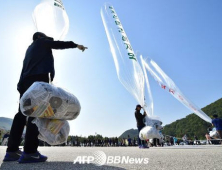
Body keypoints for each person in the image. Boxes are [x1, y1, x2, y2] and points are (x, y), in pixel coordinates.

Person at [3, 32, 87, 163]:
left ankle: (11, 151)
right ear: (39, 37)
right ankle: (30, 152)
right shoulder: (41, 42)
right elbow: (58, 44)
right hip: (38, 80)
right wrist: (76, 45)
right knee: (36, 113)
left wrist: (20, 87)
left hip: (25, 82)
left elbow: (23, 69)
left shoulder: (29, 49)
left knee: (21, 114)